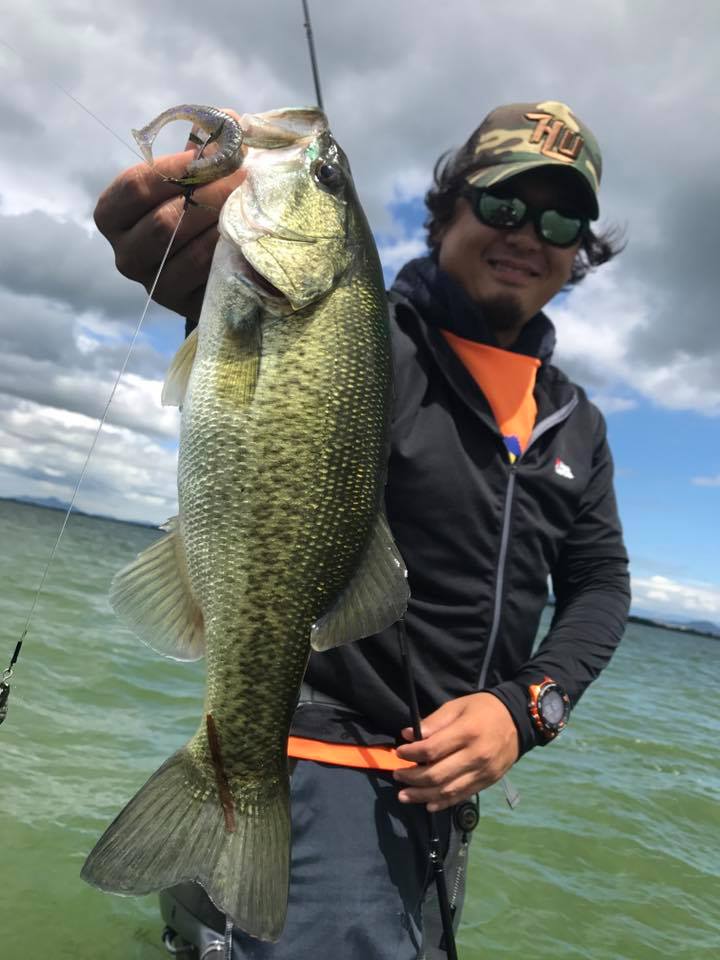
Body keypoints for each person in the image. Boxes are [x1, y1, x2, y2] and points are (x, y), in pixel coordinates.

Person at [94, 100, 630, 958]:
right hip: (313, 768)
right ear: (448, 208)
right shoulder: (371, 335)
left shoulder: (578, 423)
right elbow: (257, 353)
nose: (529, 233)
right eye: (502, 203)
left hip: (439, 806)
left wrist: (527, 708)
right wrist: (196, 260)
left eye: (561, 220)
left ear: (578, 252)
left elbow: (600, 584)